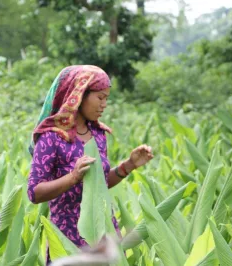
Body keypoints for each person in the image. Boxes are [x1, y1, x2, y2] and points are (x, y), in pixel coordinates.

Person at [27, 65, 154, 251]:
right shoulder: (51, 138)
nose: (104, 104)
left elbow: (98, 183)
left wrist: (129, 165)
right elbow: (34, 192)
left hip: (104, 231)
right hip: (68, 236)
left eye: (106, 99)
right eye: (100, 98)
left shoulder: (98, 133)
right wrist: (73, 177)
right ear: (79, 95)